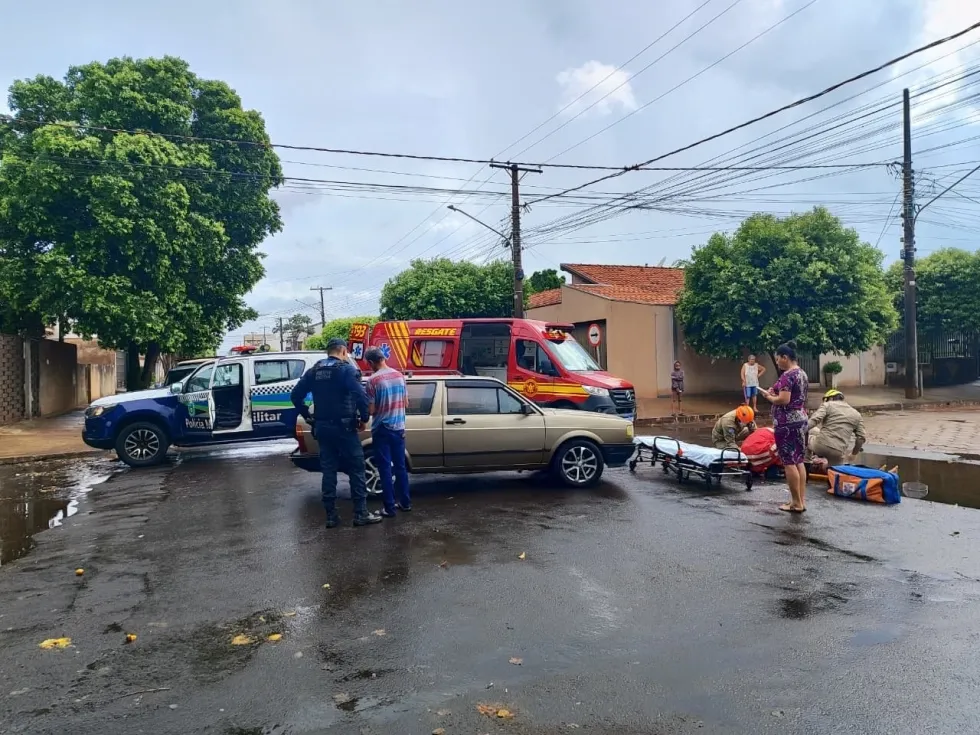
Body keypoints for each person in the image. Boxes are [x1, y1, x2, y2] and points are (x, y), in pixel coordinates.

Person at [290, 338, 382, 528]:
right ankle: (360, 514)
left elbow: (295, 395)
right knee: (356, 468)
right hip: (344, 428)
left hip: (322, 428)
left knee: (328, 470)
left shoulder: (314, 371)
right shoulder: (346, 370)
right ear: (342, 351)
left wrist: (307, 415)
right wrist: (364, 418)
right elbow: (360, 395)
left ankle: (331, 516)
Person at [762, 340, 809, 513]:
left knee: (789, 462)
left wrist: (770, 398)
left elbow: (784, 399)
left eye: (778, 359)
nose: (777, 362)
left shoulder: (788, 375)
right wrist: (773, 391)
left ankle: (796, 503)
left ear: (785, 357)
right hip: (801, 419)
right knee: (799, 461)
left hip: (787, 422)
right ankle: (800, 500)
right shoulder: (801, 373)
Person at [364, 346, 412, 517]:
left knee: (384, 468)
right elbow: (406, 403)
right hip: (399, 428)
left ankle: (389, 508)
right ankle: (405, 503)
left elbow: (371, 410)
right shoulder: (400, 376)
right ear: (383, 358)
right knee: (400, 467)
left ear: (371, 362)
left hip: (382, 429)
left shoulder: (373, 381)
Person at [807, 389, 866, 467]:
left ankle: (806, 464)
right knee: (833, 470)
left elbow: (814, 421)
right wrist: (854, 454)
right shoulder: (857, 414)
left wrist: (798, 431)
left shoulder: (828, 405)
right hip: (838, 451)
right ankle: (826, 469)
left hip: (820, 445)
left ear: (830, 398)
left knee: (806, 438)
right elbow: (861, 438)